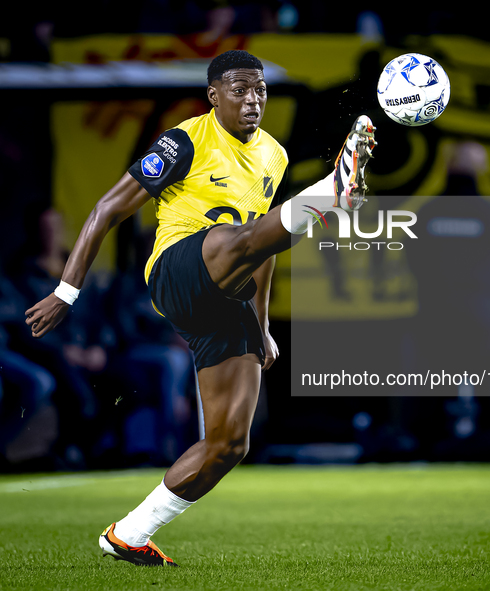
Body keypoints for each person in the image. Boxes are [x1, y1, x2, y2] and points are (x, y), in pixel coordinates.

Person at [25, 49, 376, 566]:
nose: (253, 99)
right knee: (233, 238)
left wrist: (262, 328)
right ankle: (331, 192)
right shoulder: (185, 140)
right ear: (214, 96)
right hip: (177, 271)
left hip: (226, 295)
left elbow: (264, 246)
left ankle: (129, 533)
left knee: (230, 444)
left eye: (259, 89)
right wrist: (65, 292)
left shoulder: (273, 156)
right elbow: (105, 210)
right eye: (240, 89)